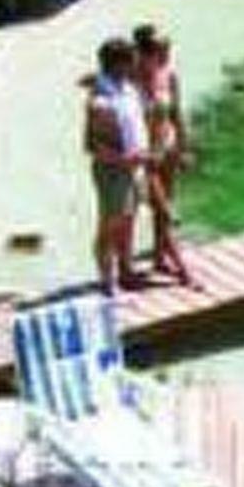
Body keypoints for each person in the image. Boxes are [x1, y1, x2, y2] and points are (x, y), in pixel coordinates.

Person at [82, 37, 149, 295]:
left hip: (134, 166)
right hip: (114, 170)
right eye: (131, 60)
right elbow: (92, 145)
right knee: (110, 224)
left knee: (129, 220)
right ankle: (107, 279)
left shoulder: (127, 88)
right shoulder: (100, 101)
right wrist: (125, 160)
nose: (135, 64)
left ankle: (126, 270)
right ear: (119, 64)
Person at [132, 24, 194, 285]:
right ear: (144, 53)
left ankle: (160, 257)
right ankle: (183, 271)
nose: (167, 56)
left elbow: (176, 113)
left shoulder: (168, 76)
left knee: (164, 207)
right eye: (161, 51)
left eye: (168, 50)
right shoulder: (130, 80)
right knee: (164, 210)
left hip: (166, 149)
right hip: (143, 155)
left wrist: (184, 147)